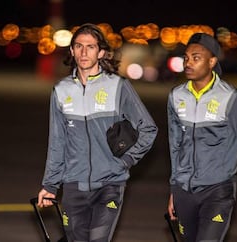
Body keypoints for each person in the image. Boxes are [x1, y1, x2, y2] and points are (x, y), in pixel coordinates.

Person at [37, 23, 158, 242]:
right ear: (72, 51)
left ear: (101, 52)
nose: (84, 52)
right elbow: (57, 142)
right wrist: (50, 185)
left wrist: (126, 161)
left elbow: (148, 128)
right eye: (79, 46)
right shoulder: (61, 91)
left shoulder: (118, 86)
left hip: (110, 184)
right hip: (74, 184)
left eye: (90, 47)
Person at [166, 32, 237, 242]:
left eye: (196, 58)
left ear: (212, 61)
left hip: (218, 191)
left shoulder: (232, 98)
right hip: (184, 193)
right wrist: (174, 190)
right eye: (186, 58)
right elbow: (175, 147)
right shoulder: (176, 96)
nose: (188, 63)